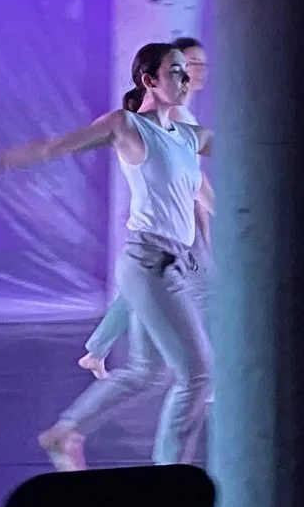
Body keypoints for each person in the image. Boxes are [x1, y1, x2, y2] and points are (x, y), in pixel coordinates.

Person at [0, 41, 212, 469]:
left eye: (187, 71)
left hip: (174, 264)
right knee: (197, 374)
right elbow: (53, 147)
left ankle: (65, 431)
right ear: (149, 80)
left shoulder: (185, 136)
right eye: (176, 72)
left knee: (146, 372)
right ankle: (172, 472)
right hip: (147, 263)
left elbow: (240, 150)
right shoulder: (126, 126)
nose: (186, 79)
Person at [79, 37, 211, 380]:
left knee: (142, 291)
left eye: (200, 64)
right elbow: (194, 185)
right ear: (153, 79)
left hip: (175, 227)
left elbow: (193, 181)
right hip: (169, 227)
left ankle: (101, 350)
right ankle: (198, 374)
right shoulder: (171, 115)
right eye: (189, 65)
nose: (197, 72)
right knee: (190, 289)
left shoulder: (182, 117)